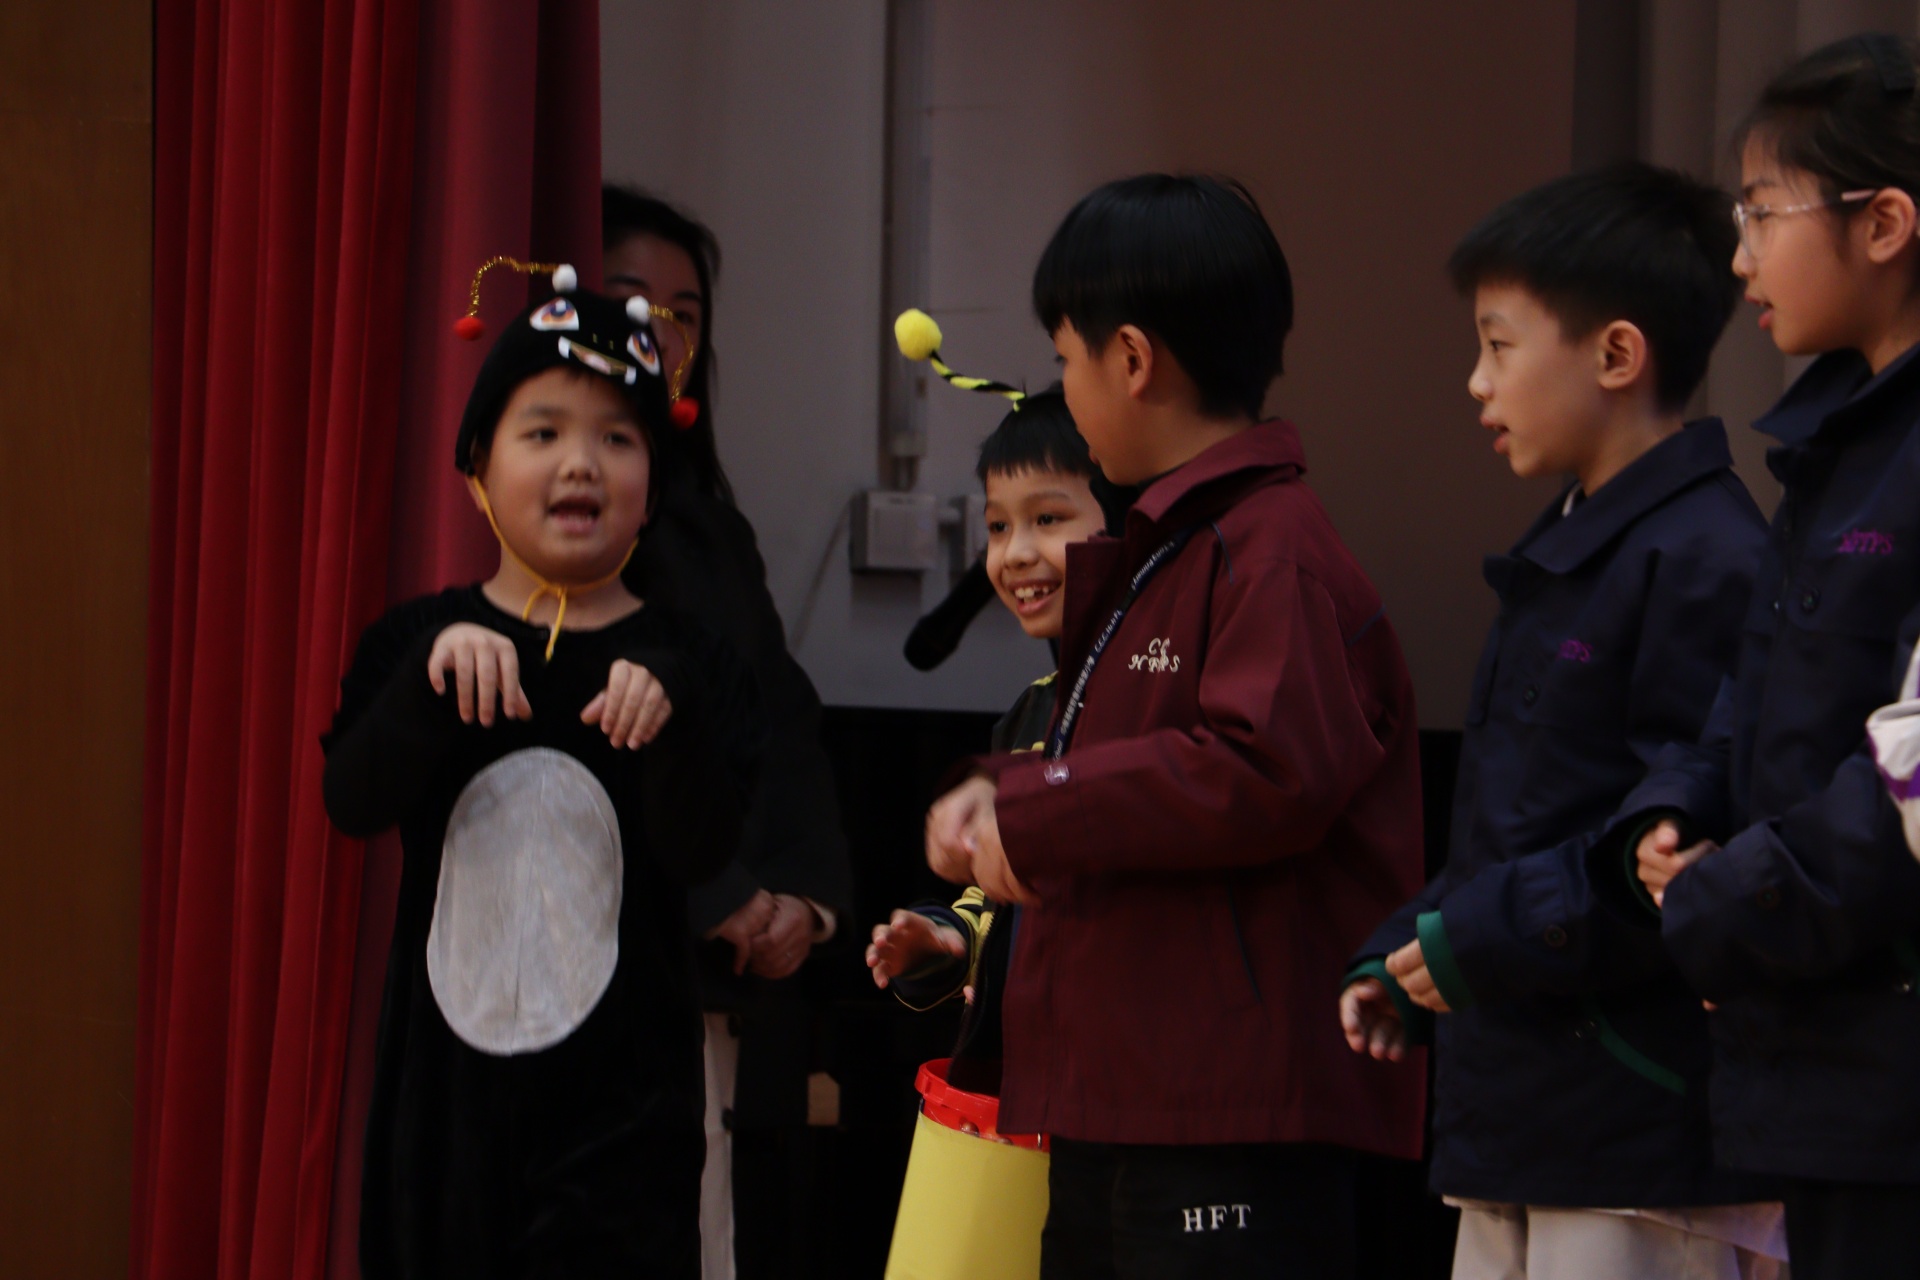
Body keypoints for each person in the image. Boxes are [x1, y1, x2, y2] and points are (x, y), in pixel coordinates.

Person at [923, 174, 1426, 1279]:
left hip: (1227, 1108)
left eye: (1066, 358)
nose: (1063, 386)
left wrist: (1034, 806)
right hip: (1129, 1093)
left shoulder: (1272, 547)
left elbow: (1263, 768)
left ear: (1133, 359)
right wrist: (1006, 794)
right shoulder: (1173, 547)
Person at [1340, 163, 1782, 1279]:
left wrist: (1470, 942)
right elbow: (1522, 829)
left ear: (1617, 354)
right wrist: (1408, 952)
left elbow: (1663, 861)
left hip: (1640, 1136)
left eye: (1499, 345)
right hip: (1523, 1113)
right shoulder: (1571, 545)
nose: (1475, 381)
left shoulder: (1710, 557)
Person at [322, 269, 763, 1278]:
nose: (581, 462)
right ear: (476, 463)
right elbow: (352, 799)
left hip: (628, 1128)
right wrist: (428, 684)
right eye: (543, 431)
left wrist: (670, 718)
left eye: (618, 438)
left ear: (653, 482)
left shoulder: (694, 662)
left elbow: (704, 850)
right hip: (443, 1118)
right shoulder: (418, 640)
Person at [1609, 33, 1920, 1279]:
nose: (1739, 258)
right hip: (1826, 1056)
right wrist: (1681, 805)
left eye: (1762, 213)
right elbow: (1764, 682)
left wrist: (1728, 899)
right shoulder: (1839, 440)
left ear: (1884, 222)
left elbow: (1906, 774)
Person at [602, 187, 854, 1280]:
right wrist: (719, 894)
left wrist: (802, 896)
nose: (660, 333)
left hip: (710, 976)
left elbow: (780, 714)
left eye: (685, 315)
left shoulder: (709, 520)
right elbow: (595, 732)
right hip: (601, 963)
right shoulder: (561, 518)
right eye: (630, 301)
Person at [868, 383, 1131, 1096]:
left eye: (1047, 518)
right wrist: (947, 940)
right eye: (997, 526)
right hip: (1024, 1081)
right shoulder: (1030, 713)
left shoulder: (1145, 697)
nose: (1014, 553)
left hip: (1117, 1076)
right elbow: (994, 899)